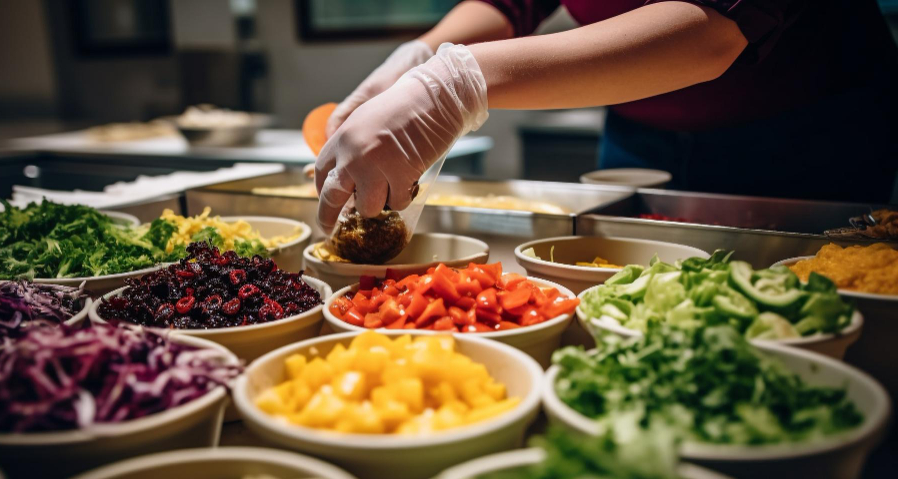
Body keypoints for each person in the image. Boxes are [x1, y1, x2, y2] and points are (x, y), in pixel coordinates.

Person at [315, 0, 898, 235]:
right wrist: (426, 52)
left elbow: (713, 29)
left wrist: (453, 86)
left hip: (807, 134)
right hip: (640, 135)